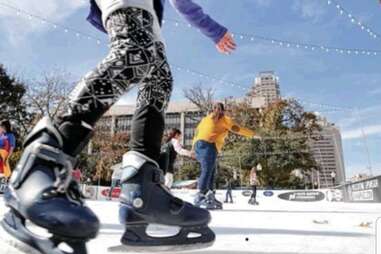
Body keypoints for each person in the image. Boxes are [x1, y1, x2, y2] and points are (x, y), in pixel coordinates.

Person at [1, 1, 236, 253]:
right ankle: (40, 165)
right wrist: (213, 29)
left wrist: (213, 30)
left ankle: (141, 194)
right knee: (135, 51)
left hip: (148, 13)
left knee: (159, 79)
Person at [193, 103, 257, 210]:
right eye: (214, 108)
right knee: (207, 168)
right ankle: (200, 194)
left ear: (222, 111)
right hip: (201, 144)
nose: (216, 110)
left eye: (219, 108)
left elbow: (238, 129)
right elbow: (197, 132)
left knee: (212, 171)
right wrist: (192, 148)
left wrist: (252, 134)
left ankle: (210, 194)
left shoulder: (225, 120)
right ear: (212, 109)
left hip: (212, 146)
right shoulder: (205, 119)